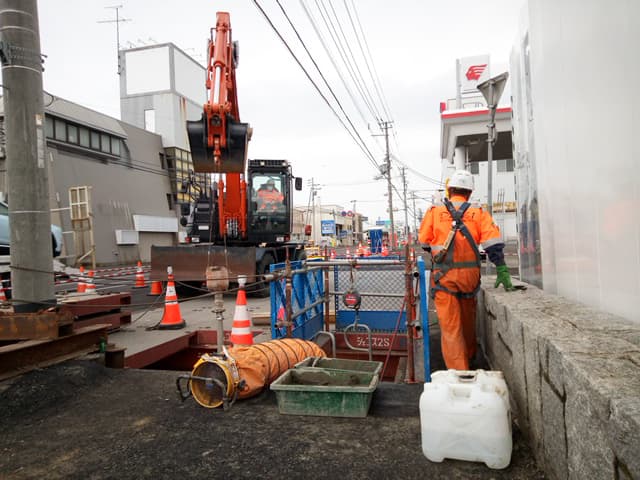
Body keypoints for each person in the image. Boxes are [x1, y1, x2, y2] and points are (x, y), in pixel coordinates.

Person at [418, 169, 514, 370]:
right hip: (470, 278)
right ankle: (470, 358)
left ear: (450, 189)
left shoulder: (435, 211)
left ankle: (460, 372)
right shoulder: (478, 212)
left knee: (451, 327)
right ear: (469, 192)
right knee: (468, 321)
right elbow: (493, 244)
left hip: (445, 277)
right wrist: (502, 269)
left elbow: (424, 242)